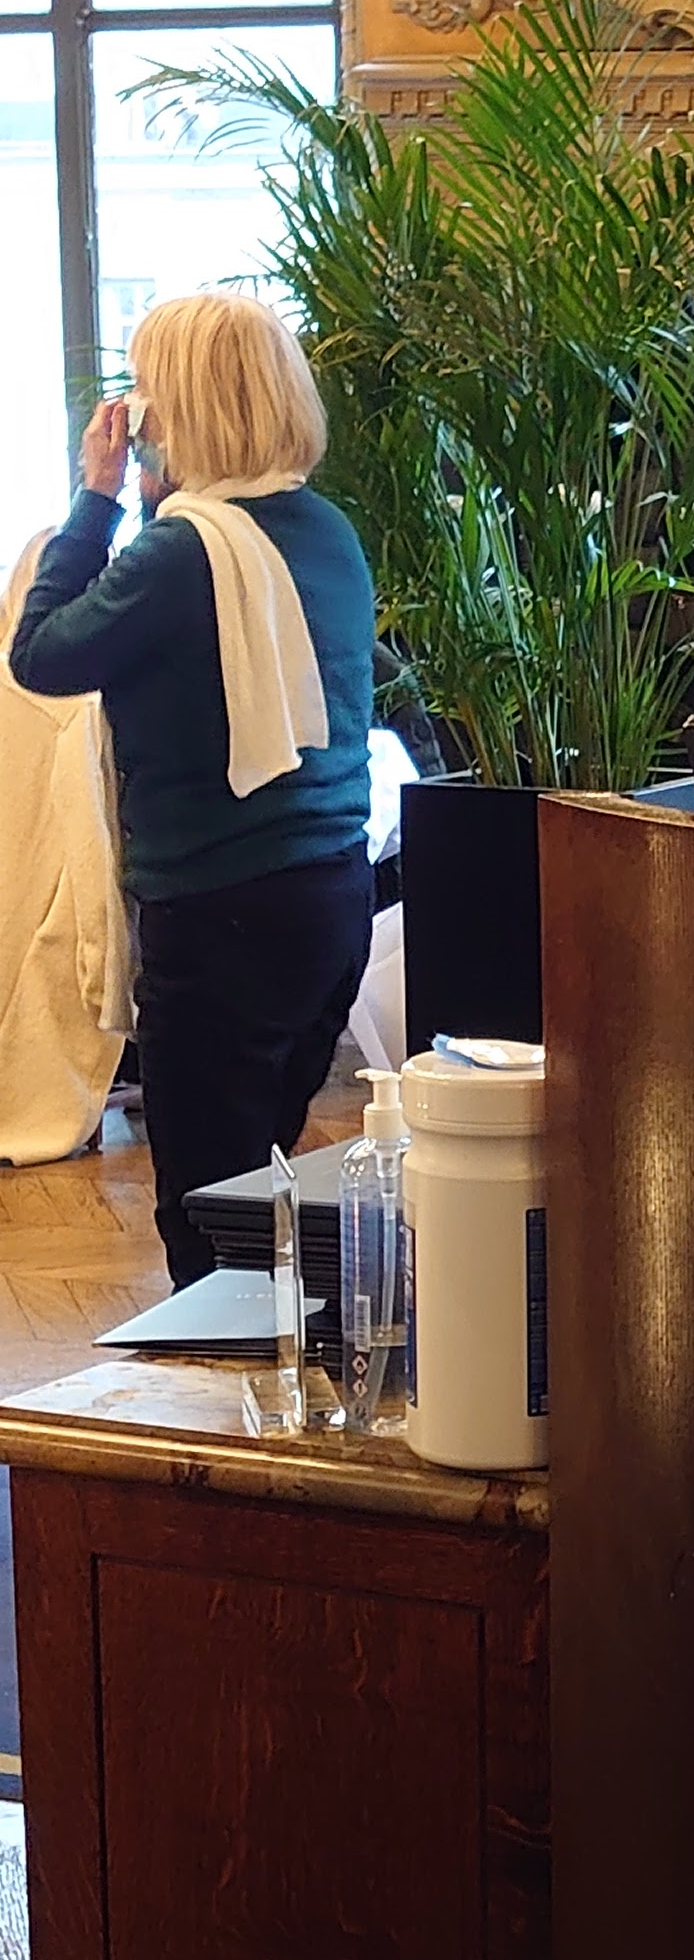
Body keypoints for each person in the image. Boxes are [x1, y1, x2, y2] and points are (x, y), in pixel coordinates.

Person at [8, 292, 376, 1283]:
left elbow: (41, 654)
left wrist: (94, 499)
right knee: (255, 1186)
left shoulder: (177, 554)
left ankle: (219, 1380)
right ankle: (282, 1362)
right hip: (330, 899)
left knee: (206, 1222)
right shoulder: (326, 531)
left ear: (178, 409)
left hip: (221, 917)